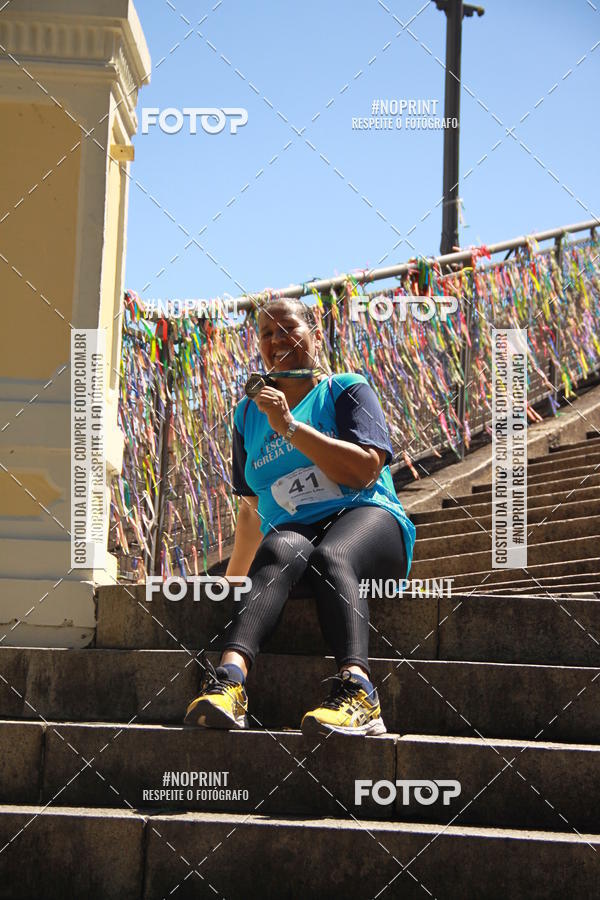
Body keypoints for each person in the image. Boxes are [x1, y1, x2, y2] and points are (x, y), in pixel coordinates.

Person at [184, 296, 416, 736]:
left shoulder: (346, 389)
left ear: (315, 334)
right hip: (295, 532)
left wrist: (289, 426)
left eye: (288, 327)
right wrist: (235, 578)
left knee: (333, 556)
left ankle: (359, 693)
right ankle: (229, 682)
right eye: (266, 334)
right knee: (276, 549)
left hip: (368, 519)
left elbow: (366, 469)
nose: (277, 340)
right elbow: (252, 509)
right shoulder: (247, 413)